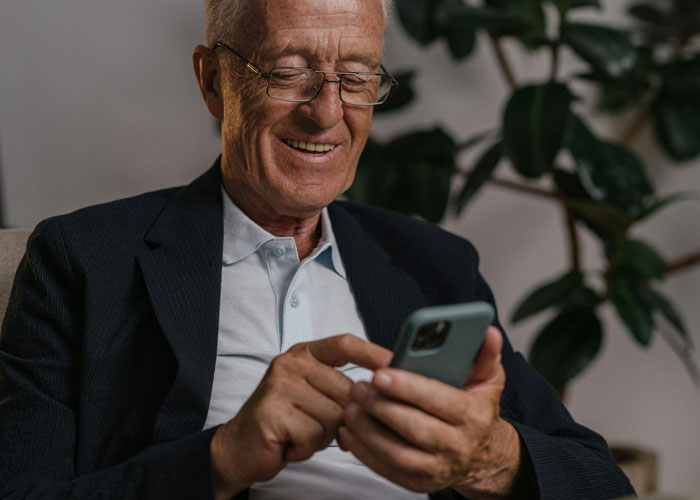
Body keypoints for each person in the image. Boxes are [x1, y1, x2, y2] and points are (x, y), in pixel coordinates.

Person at [0, 0, 635, 498]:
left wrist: (487, 456)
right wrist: (223, 458)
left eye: (356, 78)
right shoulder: (85, 258)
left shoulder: (435, 262)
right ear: (214, 80)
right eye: (288, 73)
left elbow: (597, 477)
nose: (327, 113)